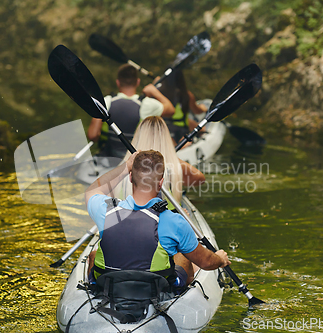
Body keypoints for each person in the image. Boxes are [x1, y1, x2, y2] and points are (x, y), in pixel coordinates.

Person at [85, 150, 231, 289]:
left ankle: (93, 288)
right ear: (161, 183)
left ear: (130, 177)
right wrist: (220, 259)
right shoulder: (175, 221)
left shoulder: (107, 210)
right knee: (182, 257)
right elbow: (206, 262)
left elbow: (93, 190)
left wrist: (126, 167)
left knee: (94, 254)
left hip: (109, 283)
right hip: (155, 289)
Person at [87, 64, 175, 158]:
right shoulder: (147, 105)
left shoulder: (106, 102)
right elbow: (171, 110)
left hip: (109, 157)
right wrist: (154, 91)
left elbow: (92, 135)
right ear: (137, 82)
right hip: (135, 158)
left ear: (118, 82)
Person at [113, 116, 205, 204]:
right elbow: (200, 179)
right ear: (166, 138)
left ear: (138, 136)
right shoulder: (172, 167)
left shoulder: (123, 168)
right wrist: (171, 156)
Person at [158, 69, 207, 144]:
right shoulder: (186, 95)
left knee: (190, 122)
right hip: (180, 132)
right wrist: (203, 108)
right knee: (201, 128)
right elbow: (197, 111)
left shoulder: (158, 93)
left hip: (162, 129)